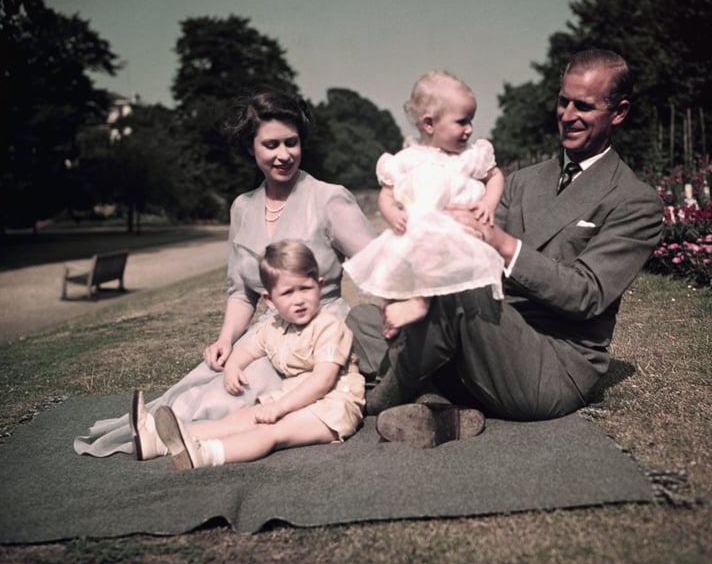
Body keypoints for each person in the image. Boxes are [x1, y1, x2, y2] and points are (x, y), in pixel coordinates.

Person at [351, 49, 665, 446]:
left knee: (455, 289)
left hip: (549, 361)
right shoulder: (521, 181)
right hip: (484, 331)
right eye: (562, 101)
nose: (567, 115)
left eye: (583, 106)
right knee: (364, 318)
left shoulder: (634, 201)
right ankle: (441, 406)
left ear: (618, 113)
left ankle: (391, 394)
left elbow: (587, 295)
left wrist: (500, 244)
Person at [74, 91, 376, 458]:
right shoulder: (242, 207)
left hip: (316, 337)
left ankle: (175, 440)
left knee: (228, 396)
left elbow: (378, 266)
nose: (284, 154)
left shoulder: (329, 198)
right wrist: (225, 340)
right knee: (204, 381)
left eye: (291, 142)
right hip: (268, 333)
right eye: (271, 144)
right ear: (251, 148)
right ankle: (155, 435)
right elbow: (241, 292)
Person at [148, 240, 365, 469]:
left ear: (319, 286)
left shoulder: (329, 326)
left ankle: (206, 454)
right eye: (288, 293)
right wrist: (233, 367)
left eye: (305, 288)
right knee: (241, 418)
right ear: (270, 300)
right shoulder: (275, 326)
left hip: (333, 407)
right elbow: (249, 349)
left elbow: (323, 380)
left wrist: (279, 408)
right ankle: (162, 442)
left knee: (270, 431)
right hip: (293, 401)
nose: (298, 299)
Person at [343, 71, 506, 339]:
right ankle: (396, 313)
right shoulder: (406, 160)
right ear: (429, 124)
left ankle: (420, 304)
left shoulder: (470, 156)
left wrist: (489, 202)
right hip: (417, 231)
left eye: (471, 121)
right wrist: (391, 212)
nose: (470, 129)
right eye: (462, 121)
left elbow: (496, 175)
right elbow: (386, 194)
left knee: (443, 276)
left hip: (455, 231)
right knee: (397, 270)